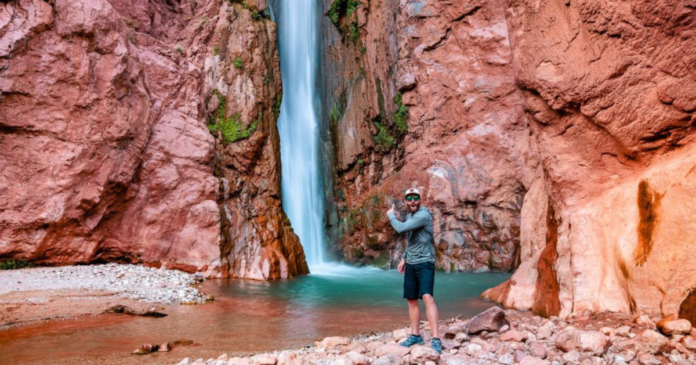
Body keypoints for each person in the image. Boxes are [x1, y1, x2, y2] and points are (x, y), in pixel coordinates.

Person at [386, 187, 441, 354]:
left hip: (425, 262)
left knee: (427, 297)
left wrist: (390, 215)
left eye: (415, 197)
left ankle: (436, 338)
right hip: (411, 262)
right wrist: (404, 257)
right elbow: (411, 239)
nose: (412, 201)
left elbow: (401, 229)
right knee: (411, 299)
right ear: (405, 201)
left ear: (420, 199)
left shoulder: (423, 215)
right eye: (409, 198)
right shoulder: (410, 216)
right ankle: (416, 335)